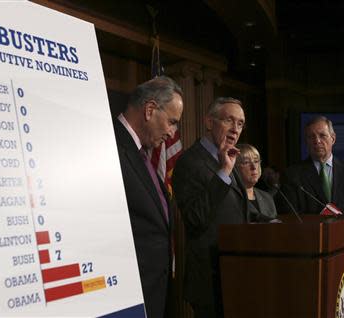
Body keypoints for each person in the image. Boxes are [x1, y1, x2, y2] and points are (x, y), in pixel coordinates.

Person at [113, 76, 183, 318]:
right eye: (172, 122)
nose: (173, 133)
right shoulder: (109, 145)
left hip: (153, 293)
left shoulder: (143, 154)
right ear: (150, 109)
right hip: (126, 297)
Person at [172, 97, 248, 318]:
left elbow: (236, 210)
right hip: (209, 279)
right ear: (209, 122)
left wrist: (272, 221)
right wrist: (223, 172)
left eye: (241, 123)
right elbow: (195, 218)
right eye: (229, 121)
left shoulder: (226, 157)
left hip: (234, 272)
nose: (235, 129)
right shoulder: (189, 162)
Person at [278, 115, 344, 216]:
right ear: (306, 142)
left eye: (322, 135)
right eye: (311, 137)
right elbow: (290, 215)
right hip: (310, 231)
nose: (317, 141)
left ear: (333, 139)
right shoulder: (292, 175)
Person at [235, 144, 277, 221]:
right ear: (234, 167)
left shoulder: (267, 197)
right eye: (246, 162)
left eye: (256, 161)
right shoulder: (230, 197)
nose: (254, 167)